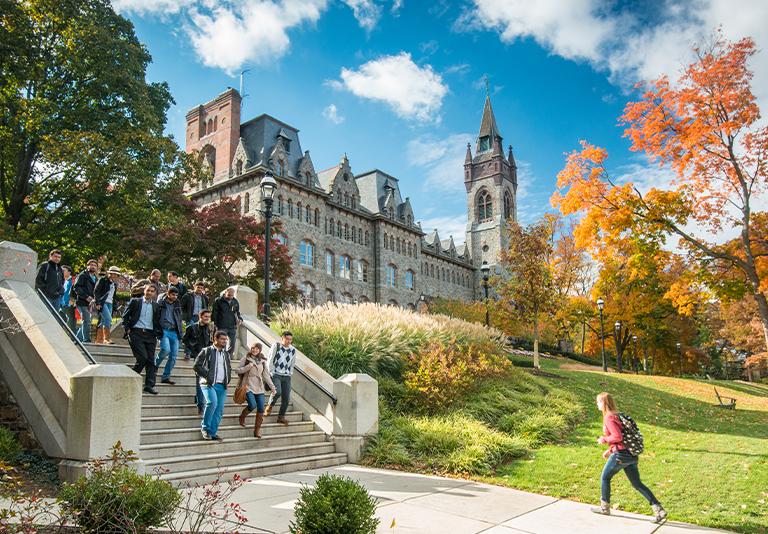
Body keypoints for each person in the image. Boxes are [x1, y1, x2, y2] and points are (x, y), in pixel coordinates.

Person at [592, 392, 667, 523]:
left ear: (603, 403)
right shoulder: (618, 415)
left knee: (605, 477)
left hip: (621, 455)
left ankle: (605, 507)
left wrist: (604, 439)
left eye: (598, 402)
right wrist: (610, 450)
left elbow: (617, 437)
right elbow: (624, 438)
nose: (597, 404)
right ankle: (659, 509)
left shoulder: (609, 417)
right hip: (631, 455)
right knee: (637, 483)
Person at [122, 284, 162, 394]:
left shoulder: (156, 305)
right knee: (142, 358)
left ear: (155, 293)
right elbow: (125, 316)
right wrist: (127, 329)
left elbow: (157, 320)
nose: (149, 292)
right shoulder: (135, 301)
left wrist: (158, 333)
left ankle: (149, 385)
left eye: (152, 291)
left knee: (151, 361)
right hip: (136, 333)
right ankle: (131, 376)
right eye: (148, 290)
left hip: (150, 334)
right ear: (144, 291)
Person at [193, 330, 232, 441]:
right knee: (212, 403)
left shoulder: (226, 354)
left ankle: (212, 432)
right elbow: (196, 366)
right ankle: (205, 428)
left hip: (222, 386)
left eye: (226, 339)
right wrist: (208, 376)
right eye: (222, 339)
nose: (224, 341)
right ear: (215, 339)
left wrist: (227, 380)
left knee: (219, 410)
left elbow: (228, 368)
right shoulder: (207, 351)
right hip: (208, 384)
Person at [236, 343, 275, 438]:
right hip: (248, 385)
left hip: (259, 387)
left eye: (257, 349)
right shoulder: (246, 358)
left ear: (260, 350)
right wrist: (248, 367)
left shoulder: (262, 361)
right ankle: (242, 416)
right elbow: (237, 370)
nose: (254, 350)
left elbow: (266, 375)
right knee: (252, 405)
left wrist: (273, 387)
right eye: (253, 348)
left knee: (261, 408)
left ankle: (257, 430)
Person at [182, 309, 214, 414]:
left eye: (209, 317)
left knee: (204, 379)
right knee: (200, 379)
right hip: (198, 357)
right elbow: (185, 340)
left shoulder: (210, 328)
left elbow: (211, 341)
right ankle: (201, 405)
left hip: (208, 356)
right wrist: (192, 350)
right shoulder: (192, 327)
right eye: (205, 317)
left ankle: (199, 399)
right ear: (200, 316)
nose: (207, 319)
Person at [265, 331, 296, 425]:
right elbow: (270, 359)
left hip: (286, 376)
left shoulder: (293, 350)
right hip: (276, 374)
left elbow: (292, 363)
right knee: (277, 392)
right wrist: (271, 372)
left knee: (286, 398)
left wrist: (290, 373)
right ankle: (270, 405)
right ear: (282, 338)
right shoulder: (276, 346)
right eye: (287, 339)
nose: (289, 341)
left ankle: (281, 417)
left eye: (290, 339)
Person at [155, 286, 183, 385]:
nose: (175, 297)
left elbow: (179, 319)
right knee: (165, 350)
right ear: (168, 294)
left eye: (176, 295)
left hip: (174, 332)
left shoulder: (178, 304)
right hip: (163, 330)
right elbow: (156, 316)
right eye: (173, 294)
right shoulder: (161, 302)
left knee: (174, 356)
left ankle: (166, 376)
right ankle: (154, 367)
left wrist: (180, 333)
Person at [180, 281, 209, 360]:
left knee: (198, 335)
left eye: (201, 288)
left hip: (200, 317)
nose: (199, 289)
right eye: (198, 287)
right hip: (191, 317)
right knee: (190, 335)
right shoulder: (188, 296)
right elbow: (181, 307)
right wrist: (185, 317)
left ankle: (197, 353)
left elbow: (206, 307)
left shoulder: (204, 298)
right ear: (194, 287)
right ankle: (187, 353)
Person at [94, 266, 120, 344]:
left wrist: (115, 308)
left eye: (116, 274)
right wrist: (98, 303)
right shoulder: (103, 280)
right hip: (103, 303)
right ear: (109, 273)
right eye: (112, 274)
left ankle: (99, 340)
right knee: (108, 319)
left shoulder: (114, 284)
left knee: (103, 320)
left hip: (110, 303)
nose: (114, 275)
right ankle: (107, 338)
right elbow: (96, 291)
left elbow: (114, 296)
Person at [73, 259, 98, 343]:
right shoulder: (82, 275)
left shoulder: (96, 278)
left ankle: (77, 340)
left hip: (91, 303)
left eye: (95, 265)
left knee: (87, 321)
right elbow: (76, 287)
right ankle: (86, 340)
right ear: (87, 266)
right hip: (82, 302)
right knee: (86, 320)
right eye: (91, 265)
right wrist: (86, 297)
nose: (93, 266)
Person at [212, 287, 242, 351]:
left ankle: (228, 356)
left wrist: (240, 319)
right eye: (229, 295)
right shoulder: (218, 300)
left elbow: (237, 312)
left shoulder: (235, 301)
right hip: (222, 325)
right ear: (225, 293)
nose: (230, 297)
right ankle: (221, 355)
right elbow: (214, 313)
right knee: (221, 343)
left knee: (233, 343)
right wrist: (215, 324)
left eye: (232, 295)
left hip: (232, 326)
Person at [59, 265, 77, 332]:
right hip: (62, 304)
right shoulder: (63, 280)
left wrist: (73, 301)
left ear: (69, 272)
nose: (61, 272)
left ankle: (72, 338)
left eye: (63, 271)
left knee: (71, 322)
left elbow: (75, 291)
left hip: (69, 304)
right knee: (60, 321)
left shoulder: (73, 280)